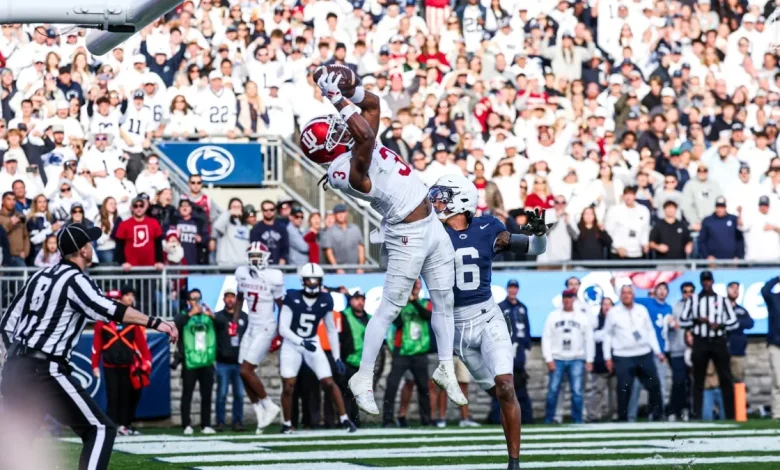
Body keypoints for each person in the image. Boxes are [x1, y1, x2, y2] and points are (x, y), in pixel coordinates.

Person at [303, 70, 466, 414]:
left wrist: (348, 85)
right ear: (325, 150)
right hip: (406, 234)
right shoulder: (342, 170)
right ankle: (362, 377)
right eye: (333, 133)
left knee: (444, 299)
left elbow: (374, 106)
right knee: (390, 308)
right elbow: (362, 133)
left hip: (430, 223)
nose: (340, 129)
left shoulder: (357, 141)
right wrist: (335, 98)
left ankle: (445, 366)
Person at [0, 222, 177, 470]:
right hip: (43, 370)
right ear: (83, 250)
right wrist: (157, 322)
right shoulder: (75, 279)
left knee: (16, 444)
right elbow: (109, 309)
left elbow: (6, 323)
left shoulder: (38, 276)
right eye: (90, 243)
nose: (92, 247)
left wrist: (16, 358)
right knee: (100, 429)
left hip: (15, 369)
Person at [429, 173, 552, 470]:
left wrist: (539, 235)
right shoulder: (430, 232)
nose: (437, 201)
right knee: (497, 393)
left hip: (487, 317)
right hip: (456, 329)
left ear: (460, 200)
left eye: (443, 196)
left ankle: (514, 462)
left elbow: (535, 249)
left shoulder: (489, 227)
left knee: (506, 387)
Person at [277, 263, 356, 434]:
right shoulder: (291, 297)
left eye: (315, 280)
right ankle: (287, 422)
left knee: (328, 381)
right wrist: (300, 341)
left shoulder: (325, 299)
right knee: (289, 385)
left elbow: (331, 329)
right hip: (292, 344)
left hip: (312, 342)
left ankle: (344, 419)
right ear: (302, 281)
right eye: (309, 280)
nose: (312, 283)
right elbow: (283, 328)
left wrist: (336, 357)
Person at [234, 242, 285, 433]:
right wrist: (235, 321)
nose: (255, 259)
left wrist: (281, 331)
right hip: (251, 326)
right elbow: (239, 299)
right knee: (242, 371)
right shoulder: (242, 273)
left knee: (247, 370)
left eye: (258, 256)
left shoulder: (273, 276)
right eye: (252, 255)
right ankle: (260, 411)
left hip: (266, 326)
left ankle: (268, 404)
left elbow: (282, 305)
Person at [90, 286, 150, 436]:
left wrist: (147, 360)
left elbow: (142, 344)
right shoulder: (101, 322)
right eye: (112, 300)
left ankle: (124, 425)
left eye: (117, 300)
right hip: (109, 365)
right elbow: (96, 346)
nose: (114, 303)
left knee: (126, 396)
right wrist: (95, 365)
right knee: (113, 396)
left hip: (127, 364)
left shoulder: (131, 321)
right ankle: (112, 426)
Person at [679, 271, 738, 420]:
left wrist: (720, 325)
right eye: (704, 281)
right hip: (700, 341)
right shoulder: (693, 300)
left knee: (725, 377)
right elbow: (682, 320)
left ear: (712, 281)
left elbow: (733, 321)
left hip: (718, 341)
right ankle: (697, 414)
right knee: (698, 378)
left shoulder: (722, 300)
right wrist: (698, 320)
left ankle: (730, 414)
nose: (706, 283)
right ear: (701, 282)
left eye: (708, 280)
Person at [603, 285, 664, 422]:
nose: (626, 295)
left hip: (643, 353)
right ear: (620, 295)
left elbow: (650, 331)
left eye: (629, 293)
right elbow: (607, 336)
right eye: (624, 293)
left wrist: (657, 351)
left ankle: (656, 415)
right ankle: (623, 417)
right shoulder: (613, 312)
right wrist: (608, 357)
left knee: (654, 384)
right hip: (623, 356)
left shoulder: (642, 310)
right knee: (624, 388)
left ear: (633, 295)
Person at [382, 278, 433, 428]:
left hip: (420, 352)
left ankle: (426, 419)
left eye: (418, 284)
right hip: (402, 351)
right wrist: (404, 300)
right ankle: (387, 419)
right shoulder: (399, 305)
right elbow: (396, 322)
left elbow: (427, 316)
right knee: (392, 385)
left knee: (424, 387)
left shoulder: (425, 303)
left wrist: (414, 301)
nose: (415, 286)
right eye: (413, 284)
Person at [541, 289, 595, 424]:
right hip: (557, 358)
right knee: (553, 390)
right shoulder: (553, 315)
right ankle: (549, 418)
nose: (567, 300)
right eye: (565, 297)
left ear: (574, 299)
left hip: (576, 358)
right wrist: (548, 358)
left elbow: (589, 338)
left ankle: (577, 419)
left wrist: (590, 359)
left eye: (570, 297)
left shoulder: (582, 317)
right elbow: (546, 338)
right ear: (562, 299)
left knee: (577, 391)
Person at [174, 288, 217, 435]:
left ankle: (206, 424)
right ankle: (186, 424)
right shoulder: (184, 315)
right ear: (188, 302)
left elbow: (224, 327)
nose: (196, 301)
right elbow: (175, 324)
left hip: (206, 361)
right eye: (193, 298)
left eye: (198, 298)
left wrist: (213, 317)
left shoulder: (207, 317)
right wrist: (190, 314)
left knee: (207, 394)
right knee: (187, 394)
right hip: (189, 361)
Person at [631, 282, 672, 421]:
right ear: (654, 291)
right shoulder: (647, 303)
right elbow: (629, 299)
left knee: (660, 384)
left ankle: (657, 413)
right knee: (636, 384)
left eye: (664, 289)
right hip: (645, 350)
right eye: (659, 289)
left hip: (660, 351)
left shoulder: (668, 308)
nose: (661, 292)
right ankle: (630, 415)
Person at [212, 288, 248, 432]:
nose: (230, 300)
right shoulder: (219, 316)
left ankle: (237, 421)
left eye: (232, 297)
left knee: (239, 394)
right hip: (223, 361)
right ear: (223, 299)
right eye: (227, 297)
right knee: (221, 394)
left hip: (240, 361)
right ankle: (220, 421)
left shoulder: (245, 317)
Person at [498, 279, 533, 424]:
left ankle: (525, 416)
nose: (513, 290)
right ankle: (498, 417)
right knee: (503, 382)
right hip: (505, 349)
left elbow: (527, 327)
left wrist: (527, 345)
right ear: (507, 289)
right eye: (511, 287)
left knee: (520, 382)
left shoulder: (522, 307)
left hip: (519, 352)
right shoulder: (501, 307)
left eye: (515, 288)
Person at [338, 290, 370, 426]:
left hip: (364, 362)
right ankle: (346, 420)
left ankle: (355, 420)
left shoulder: (370, 318)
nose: (360, 302)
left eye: (362, 299)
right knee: (346, 392)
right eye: (357, 299)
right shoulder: (343, 316)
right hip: (348, 359)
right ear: (350, 301)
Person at [666, 282, 694, 422]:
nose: (688, 294)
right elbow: (670, 327)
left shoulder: (698, 306)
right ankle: (674, 409)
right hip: (678, 350)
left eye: (690, 291)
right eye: (685, 291)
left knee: (691, 382)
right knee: (678, 381)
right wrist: (670, 324)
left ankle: (687, 409)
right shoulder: (675, 307)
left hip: (693, 350)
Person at [586, 298, 616, 423]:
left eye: (609, 304)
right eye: (604, 304)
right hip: (599, 361)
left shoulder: (618, 320)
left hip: (617, 359)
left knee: (615, 390)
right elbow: (590, 340)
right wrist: (590, 360)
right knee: (597, 390)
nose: (606, 307)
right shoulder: (595, 321)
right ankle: (594, 415)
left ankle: (615, 414)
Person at [604, 186, 650, 260]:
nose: (628, 197)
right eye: (626, 194)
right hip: (618, 252)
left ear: (635, 196)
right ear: (623, 196)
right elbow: (609, 231)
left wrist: (645, 243)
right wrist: (617, 246)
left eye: (631, 194)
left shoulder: (643, 210)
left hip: (637, 253)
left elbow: (645, 230)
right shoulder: (614, 210)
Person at [321, 204, 365, 272]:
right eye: (338, 213)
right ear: (334, 215)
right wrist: (337, 269)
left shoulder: (355, 229)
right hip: (339, 272)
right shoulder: (329, 231)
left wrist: (361, 267)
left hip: (355, 270)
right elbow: (329, 251)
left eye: (343, 212)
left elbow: (361, 248)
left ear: (347, 213)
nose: (341, 215)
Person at [699, 196, 744, 260]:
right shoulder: (707, 221)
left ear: (725, 207)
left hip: (732, 261)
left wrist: (738, 256)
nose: (720, 209)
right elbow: (702, 240)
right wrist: (707, 256)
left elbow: (740, 239)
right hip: (713, 261)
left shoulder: (733, 219)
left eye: (722, 207)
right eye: (718, 206)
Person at [726, 282, 754, 384]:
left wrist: (735, 322)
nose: (735, 291)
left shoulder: (741, 310)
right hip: (722, 350)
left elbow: (750, 323)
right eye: (732, 288)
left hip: (738, 351)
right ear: (727, 289)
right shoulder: (721, 307)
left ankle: (738, 400)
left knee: (738, 381)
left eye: (737, 288)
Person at [761, 275, 780, 420]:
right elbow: (765, 290)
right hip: (776, 345)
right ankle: (777, 413)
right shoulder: (774, 299)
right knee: (778, 381)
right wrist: (777, 278)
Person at [249, 200, 288, 265]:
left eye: (271, 209)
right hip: (261, 266)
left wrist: (282, 263)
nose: (269, 212)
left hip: (279, 266)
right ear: (262, 211)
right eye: (265, 210)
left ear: (275, 210)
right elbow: (254, 249)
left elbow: (285, 248)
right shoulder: (256, 229)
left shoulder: (282, 228)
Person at [0, 190, 30, 266]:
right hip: (3, 257)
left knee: (24, 277)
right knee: (5, 278)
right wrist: (11, 224)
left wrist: (25, 252)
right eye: (8, 199)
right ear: (2, 201)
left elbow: (26, 236)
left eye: (14, 199)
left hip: (19, 256)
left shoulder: (20, 216)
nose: (12, 202)